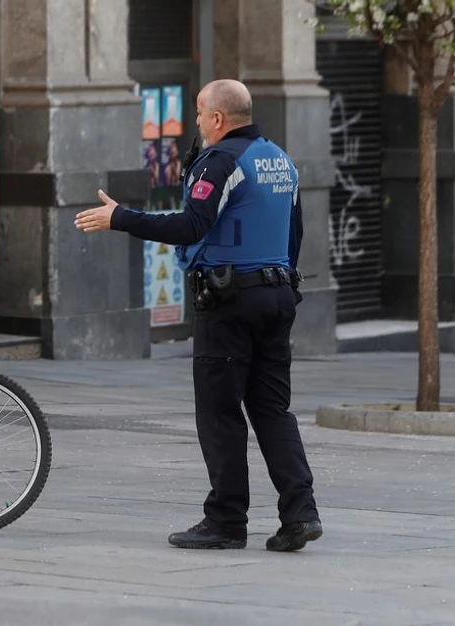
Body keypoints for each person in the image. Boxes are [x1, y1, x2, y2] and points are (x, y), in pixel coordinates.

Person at [74, 79, 322, 552]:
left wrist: (120, 218)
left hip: (232, 303)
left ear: (217, 118)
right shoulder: (278, 159)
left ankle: (227, 522)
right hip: (277, 296)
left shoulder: (224, 161)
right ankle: (300, 513)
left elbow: (192, 224)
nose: (197, 122)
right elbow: (295, 231)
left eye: (200, 112)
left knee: (220, 413)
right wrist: (280, 284)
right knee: (272, 410)